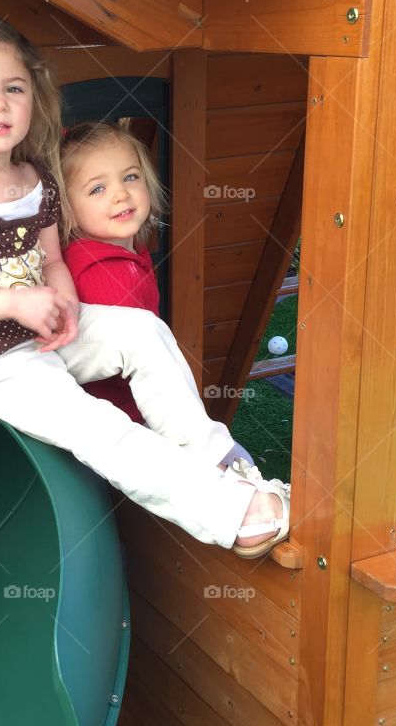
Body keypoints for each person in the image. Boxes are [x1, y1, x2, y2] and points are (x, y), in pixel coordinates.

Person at [0, 14, 290, 557]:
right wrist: (16, 300)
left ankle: (215, 456)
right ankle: (226, 513)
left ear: (32, 98)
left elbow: (53, 261)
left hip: (39, 329)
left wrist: (66, 307)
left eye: (14, 88)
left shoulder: (34, 177)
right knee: (94, 424)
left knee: (141, 331)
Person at [58, 119, 284, 496]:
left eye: (130, 178)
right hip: (122, 419)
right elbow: (127, 366)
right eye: (97, 188)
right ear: (66, 208)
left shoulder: (124, 250)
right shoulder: (104, 273)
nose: (120, 195)